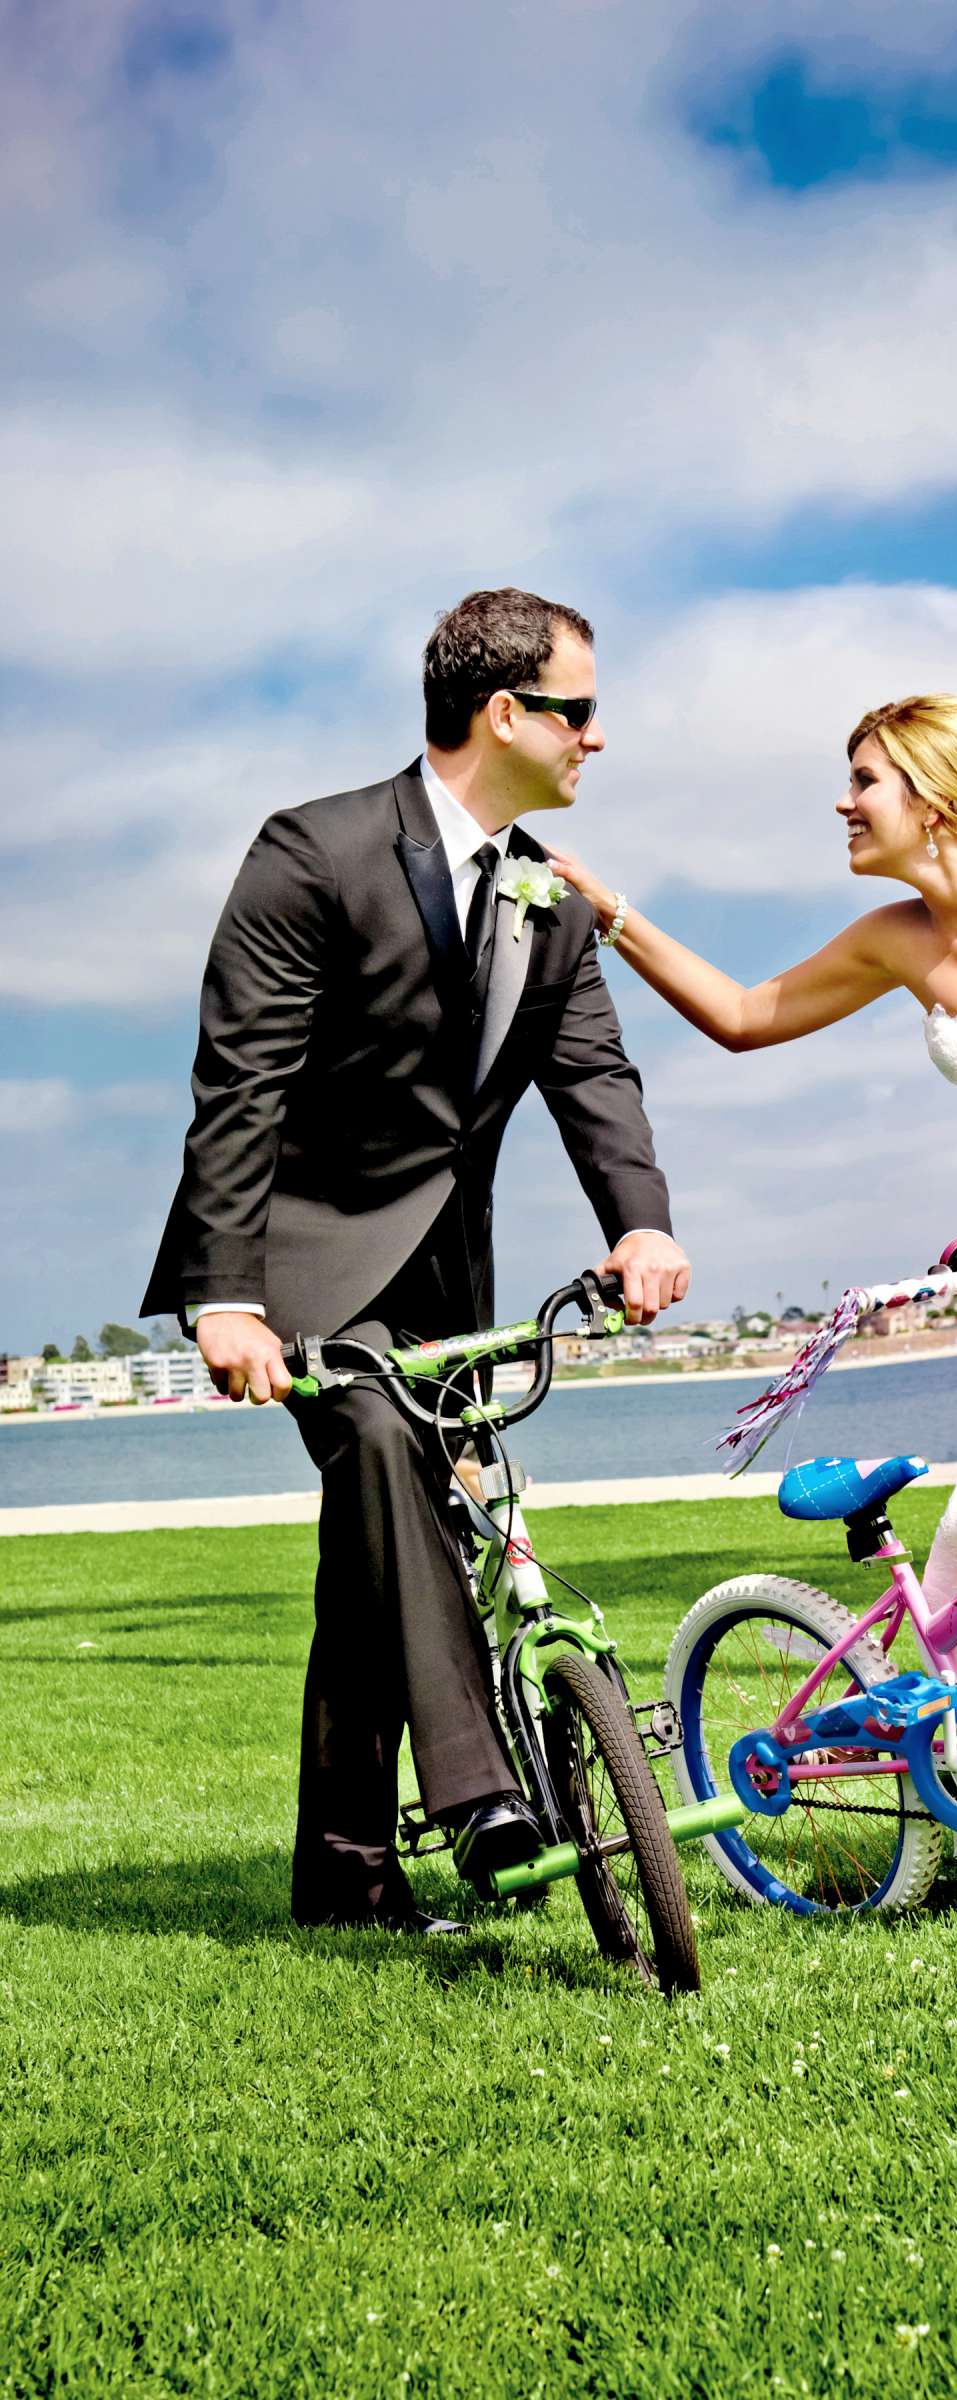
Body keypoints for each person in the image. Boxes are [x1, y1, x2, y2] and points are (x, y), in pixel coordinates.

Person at [144, 588, 689, 1931]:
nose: (596, 739)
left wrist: (642, 1218)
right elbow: (242, 1084)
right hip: (303, 1271)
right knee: (385, 1455)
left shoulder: (552, 896)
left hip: (452, 1287)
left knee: (375, 1551)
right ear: (504, 714)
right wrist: (224, 1296)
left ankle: (341, 1874)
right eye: (579, 711)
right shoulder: (314, 852)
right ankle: (479, 1793)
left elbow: (594, 1075)